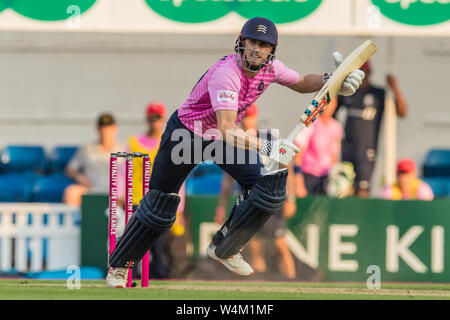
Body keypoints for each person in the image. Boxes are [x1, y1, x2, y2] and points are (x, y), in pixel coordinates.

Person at [106, 16, 364, 288]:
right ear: (241, 43)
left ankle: (225, 245)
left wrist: (331, 79)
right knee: (161, 205)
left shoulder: (271, 68)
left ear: (271, 51)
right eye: (252, 42)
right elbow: (228, 128)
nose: (257, 49)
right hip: (186, 134)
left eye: (264, 45)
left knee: (268, 189)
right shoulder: (226, 74)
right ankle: (119, 267)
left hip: (219, 138)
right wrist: (267, 145)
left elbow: (301, 83)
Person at [214, 104, 297, 279]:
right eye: (244, 117)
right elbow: (228, 179)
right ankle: (258, 283)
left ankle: (293, 282)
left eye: (249, 116)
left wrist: (290, 198)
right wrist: (221, 206)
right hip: (248, 195)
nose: (246, 120)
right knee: (254, 242)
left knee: (280, 243)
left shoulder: (268, 137)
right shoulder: (234, 141)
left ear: (256, 116)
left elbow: (286, 165)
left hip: (270, 193)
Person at [117, 102, 187, 279]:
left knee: (158, 245)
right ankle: (126, 274)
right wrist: (120, 196)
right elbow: (124, 171)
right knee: (133, 241)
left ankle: (159, 279)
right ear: (147, 119)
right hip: (134, 201)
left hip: (160, 201)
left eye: (157, 118)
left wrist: (178, 208)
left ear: (162, 119)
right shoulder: (133, 143)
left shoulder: (171, 143)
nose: (154, 122)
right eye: (151, 118)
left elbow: (178, 175)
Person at [331, 61, 408, 198]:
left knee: (363, 187)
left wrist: (394, 86)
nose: (362, 77)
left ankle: (359, 216)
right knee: (343, 187)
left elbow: (402, 112)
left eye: (364, 73)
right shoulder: (347, 93)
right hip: (347, 146)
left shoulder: (378, 93)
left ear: (370, 73)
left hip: (367, 149)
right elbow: (328, 114)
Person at [63, 113, 124, 206]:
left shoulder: (124, 148)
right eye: (102, 127)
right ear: (97, 129)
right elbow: (70, 169)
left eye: (108, 127)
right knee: (72, 192)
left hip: (116, 193)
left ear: (115, 129)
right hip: (91, 190)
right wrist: (79, 177)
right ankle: (75, 220)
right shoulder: (87, 148)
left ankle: (120, 218)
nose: (105, 131)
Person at [293, 99, 343, 196]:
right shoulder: (309, 122)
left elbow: (335, 155)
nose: (329, 107)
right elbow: (298, 152)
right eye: (327, 103)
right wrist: (298, 182)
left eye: (332, 103)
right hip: (308, 177)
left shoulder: (336, 126)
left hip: (326, 179)